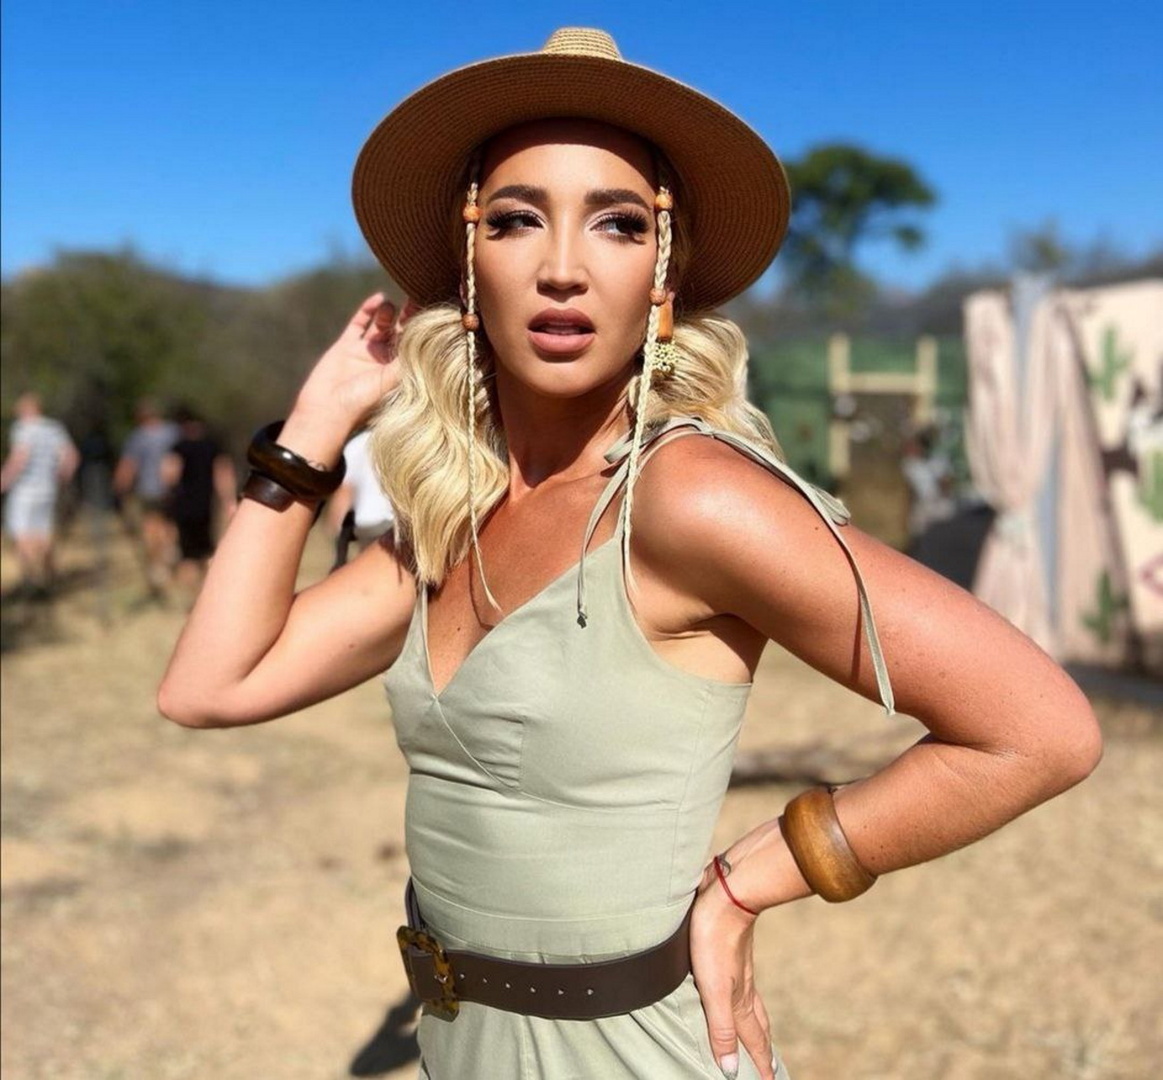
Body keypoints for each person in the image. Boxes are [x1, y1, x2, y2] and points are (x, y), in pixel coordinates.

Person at [158, 28, 1101, 1080]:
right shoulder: (450, 516)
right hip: (462, 1049)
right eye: (515, 219)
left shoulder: (686, 496)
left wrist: (757, 877)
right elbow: (209, 686)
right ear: (469, 262)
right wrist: (312, 428)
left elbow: (1038, 731)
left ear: (662, 274)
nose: (561, 269)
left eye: (616, 224)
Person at [1, 392, 79, 597]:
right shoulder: (54, 428)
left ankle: (31, 580)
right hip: (48, 489)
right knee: (43, 534)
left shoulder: (23, 428)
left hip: (24, 490)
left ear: (26, 409)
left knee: (21, 534)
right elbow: (71, 457)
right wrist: (62, 478)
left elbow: (20, 458)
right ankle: (49, 576)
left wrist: (4, 480)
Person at [160, 404, 237, 603]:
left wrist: (167, 494)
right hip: (206, 506)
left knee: (187, 555)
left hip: (183, 506)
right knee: (207, 551)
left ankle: (194, 597)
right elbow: (223, 474)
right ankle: (207, 593)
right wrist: (229, 501)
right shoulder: (213, 445)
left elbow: (170, 475)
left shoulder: (179, 447)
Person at [114, 398, 179, 598]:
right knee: (169, 524)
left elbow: (128, 465)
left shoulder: (138, 437)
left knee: (151, 527)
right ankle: (169, 554)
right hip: (173, 489)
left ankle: (158, 564)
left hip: (148, 489)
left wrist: (119, 487)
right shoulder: (173, 432)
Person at [327, 424, 397, 568]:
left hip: (366, 521)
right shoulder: (399, 440)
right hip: (394, 521)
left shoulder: (357, 444)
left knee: (370, 567)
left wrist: (336, 527)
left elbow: (346, 491)